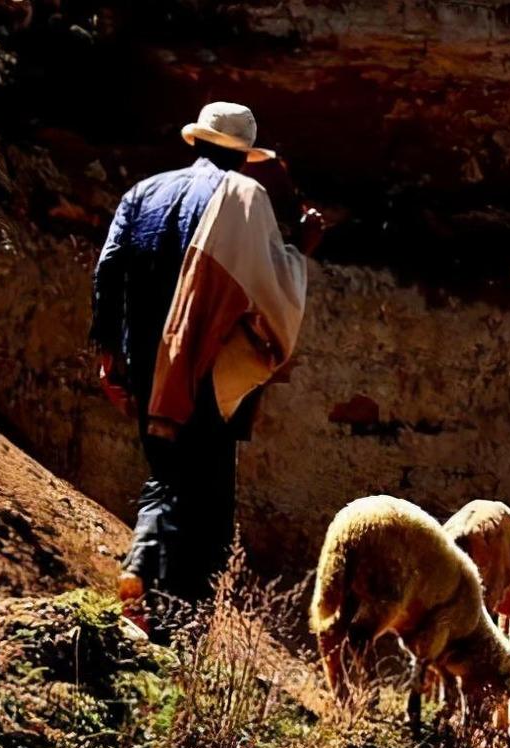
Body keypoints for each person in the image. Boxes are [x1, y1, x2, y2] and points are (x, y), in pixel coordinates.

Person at [90, 102, 323, 630]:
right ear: (244, 158)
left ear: (196, 142)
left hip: (147, 366)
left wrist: (109, 354)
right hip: (207, 370)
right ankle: (179, 623)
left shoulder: (142, 192)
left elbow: (108, 269)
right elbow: (270, 290)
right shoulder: (246, 197)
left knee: (168, 474)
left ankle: (142, 575)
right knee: (206, 499)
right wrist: (301, 249)